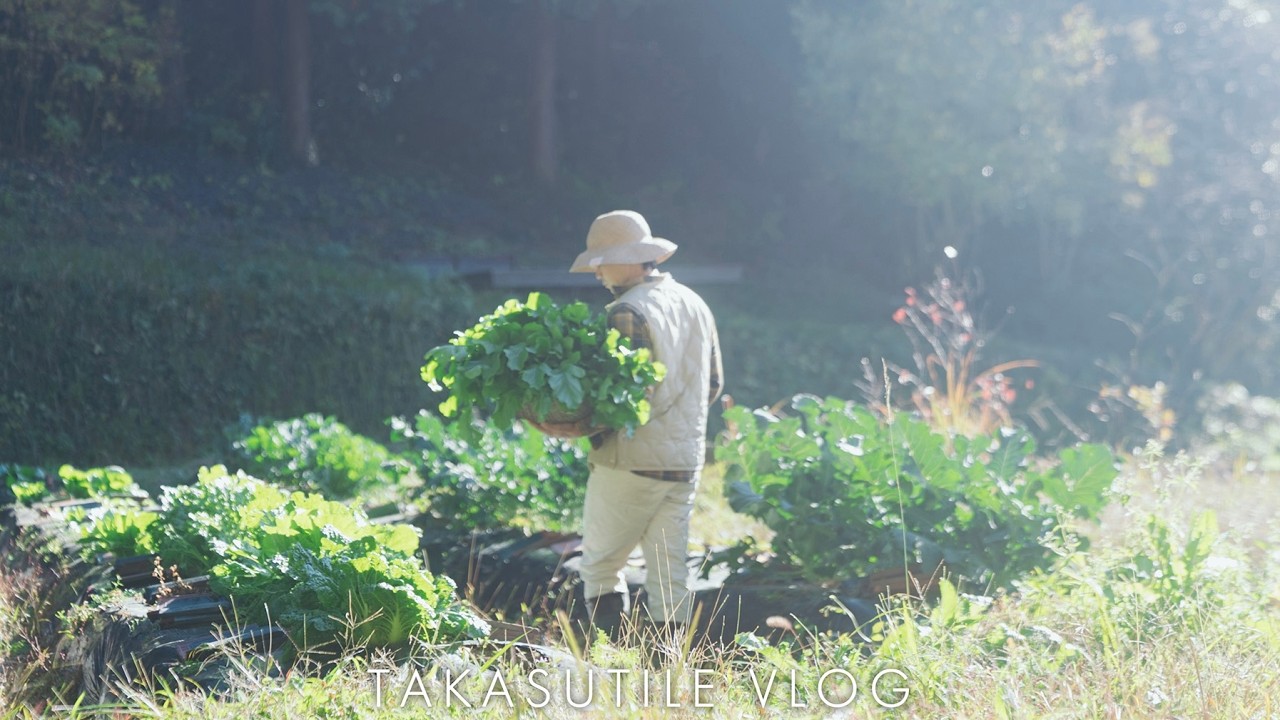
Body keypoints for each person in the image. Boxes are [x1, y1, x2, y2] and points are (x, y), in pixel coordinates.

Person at [541, 209, 723, 645]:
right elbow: (714, 385)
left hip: (629, 463)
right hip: (684, 463)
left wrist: (571, 425)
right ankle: (667, 670)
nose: (597, 272)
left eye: (601, 262)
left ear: (628, 259)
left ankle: (607, 658)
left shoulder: (628, 311)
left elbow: (622, 400)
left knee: (601, 565)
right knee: (669, 575)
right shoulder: (694, 302)